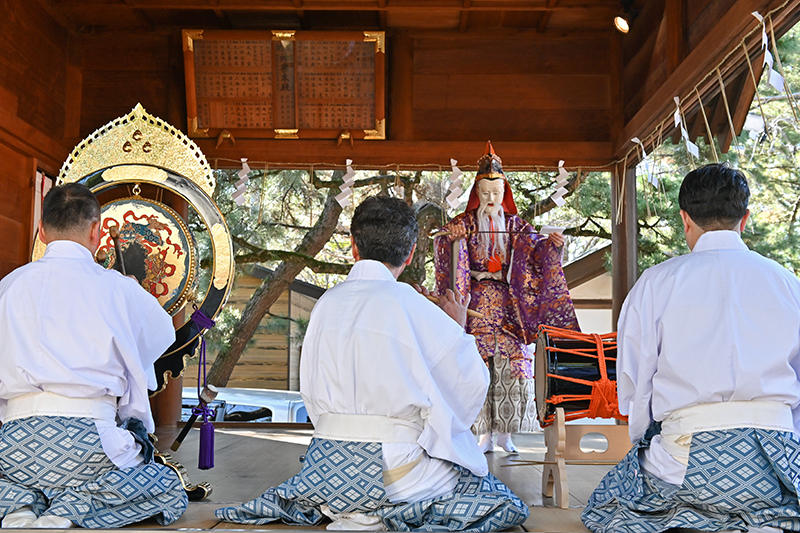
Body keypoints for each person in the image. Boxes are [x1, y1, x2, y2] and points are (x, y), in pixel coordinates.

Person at [215, 195, 529, 531]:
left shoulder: (325, 304)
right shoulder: (414, 305)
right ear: (409, 254)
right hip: (395, 472)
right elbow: (470, 386)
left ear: (353, 246)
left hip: (325, 470)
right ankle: (384, 510)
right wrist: (455, 326)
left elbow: (311, 396)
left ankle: (349, 506)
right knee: (497, 497)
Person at [581, 163, 800, 533]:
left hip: (685, 457)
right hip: (776, 459)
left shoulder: (656, 283)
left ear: (685, 219)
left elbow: (635, 383)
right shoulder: (788, 283)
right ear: (744, 219)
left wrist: (642, 443)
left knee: (606, 505)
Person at [0, 183, 188, 529]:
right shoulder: (118, 287)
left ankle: (18, 506)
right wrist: (131, 301)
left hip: (15, 444)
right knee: (168, 489)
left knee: (12, 475)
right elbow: (160, 335)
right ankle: (68, 510)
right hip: (87, 444)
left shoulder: (9, 286)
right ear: (96, 232)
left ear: (42, 232)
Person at [434, 142, 579, 454]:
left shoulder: (515, 226)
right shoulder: (465, 223)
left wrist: (553, 246)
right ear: (476, 192)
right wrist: (453, 241)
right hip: (475, 303)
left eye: (496, 194)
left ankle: (506, 433)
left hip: (511, 307)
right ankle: (482, 433)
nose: (490, 200)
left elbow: (538, 250)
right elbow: (443, 240)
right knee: (478, 365)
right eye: (484, 193)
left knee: (512, 368)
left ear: (505, 194)